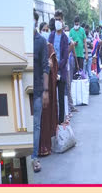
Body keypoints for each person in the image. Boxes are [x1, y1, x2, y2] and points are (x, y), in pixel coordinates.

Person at [33, 9, 49, 172]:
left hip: (37, 89)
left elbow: (45, 66)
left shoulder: (40, 42)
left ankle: (33, 158)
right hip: (24, 90)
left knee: (36, 124)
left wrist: (46, 90)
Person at [39, 19, 58, 156]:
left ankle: (46, 146)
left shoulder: (49, 47)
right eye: (43, 30)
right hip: (37, 86)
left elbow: (53, 66)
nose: (45, 32)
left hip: (46, 88)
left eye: (47, 30)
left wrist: (50, 65)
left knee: (45, 118)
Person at [48, 10, 69, 125]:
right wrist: (52, 68)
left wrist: (57, 67)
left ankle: (61, 122)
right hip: (52, 72)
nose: (57, 22)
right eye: (56, 19)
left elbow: (65, 58)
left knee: (61, 99)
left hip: (61, 72)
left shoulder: (65, 38)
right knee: (52, 99)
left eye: (59, 19)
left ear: (62, 20)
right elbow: (48, 52)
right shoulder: (51, 36)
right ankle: (53, 122)